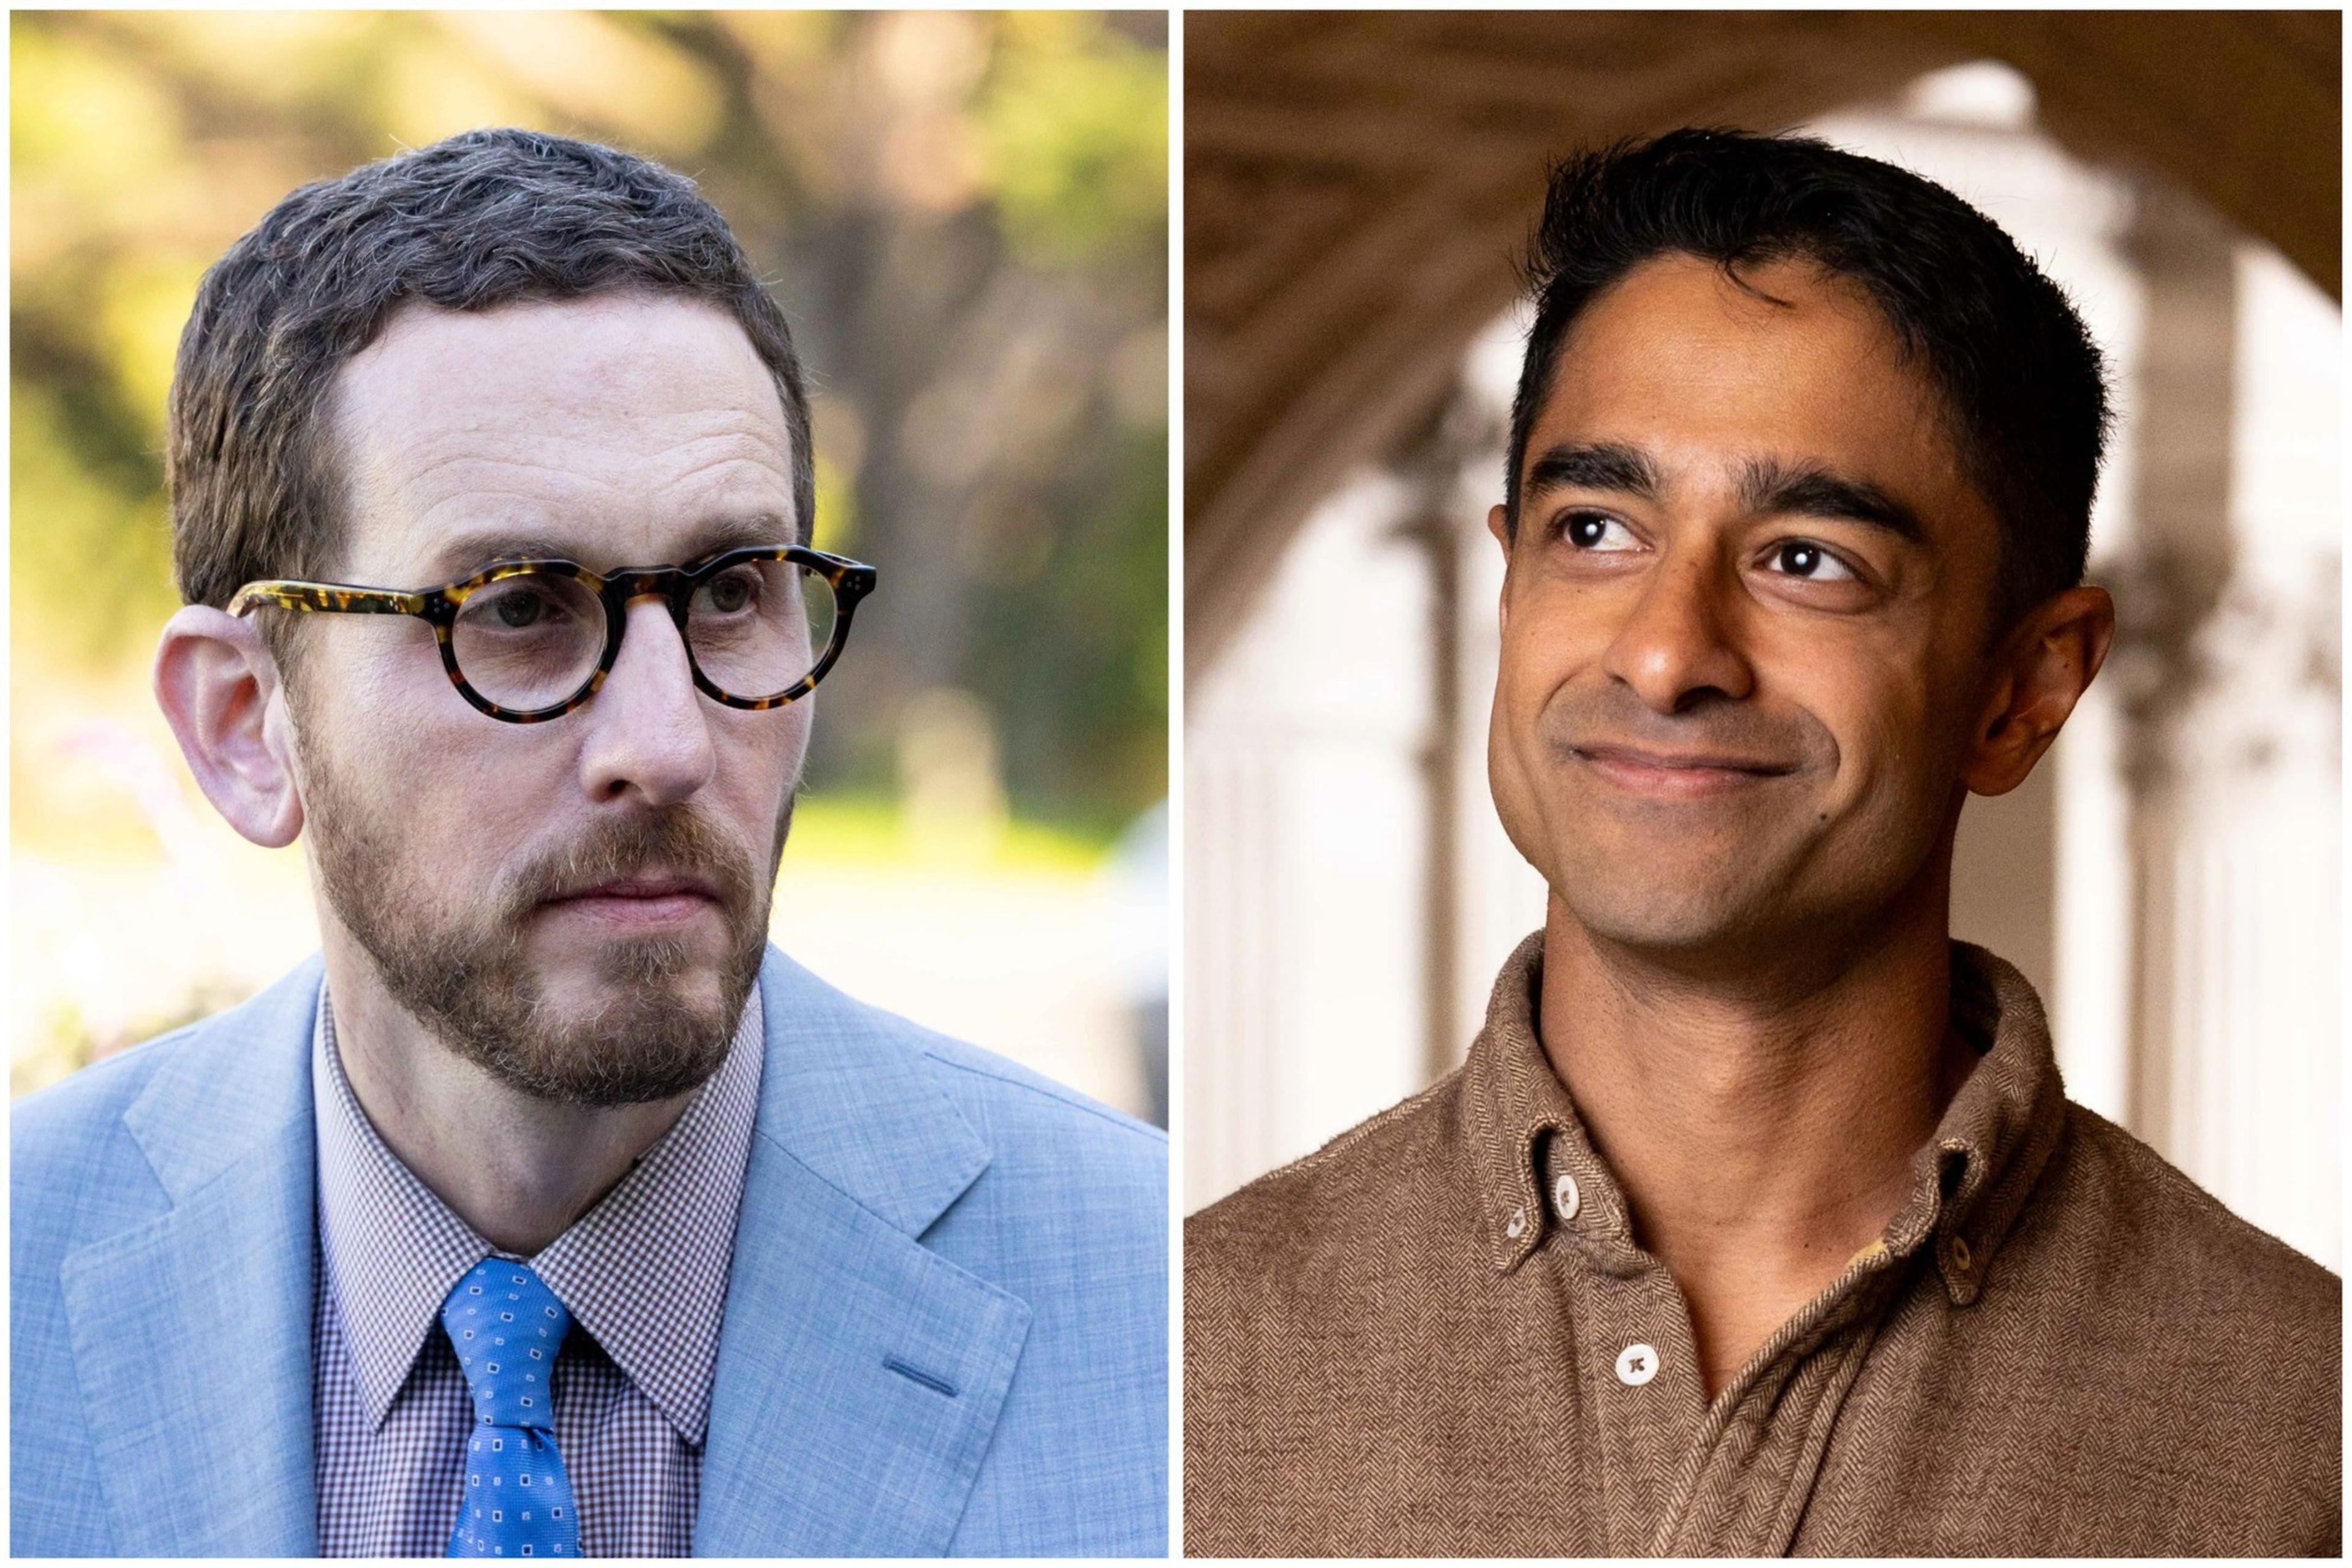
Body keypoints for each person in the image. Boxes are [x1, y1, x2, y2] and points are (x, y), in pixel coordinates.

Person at [12, 129, 1167, 1559]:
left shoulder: (1166, 1309)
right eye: (514, 607)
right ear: (247, 722)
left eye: (734, 590)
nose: (667, 741)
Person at [1184, 129, 2339, 1556]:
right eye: (1594, 528)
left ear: (2023, 688)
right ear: (1504, 586)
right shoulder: (1191, 1351)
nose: (1666, 652)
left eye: (1807, 559)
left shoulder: (2301, 1429)